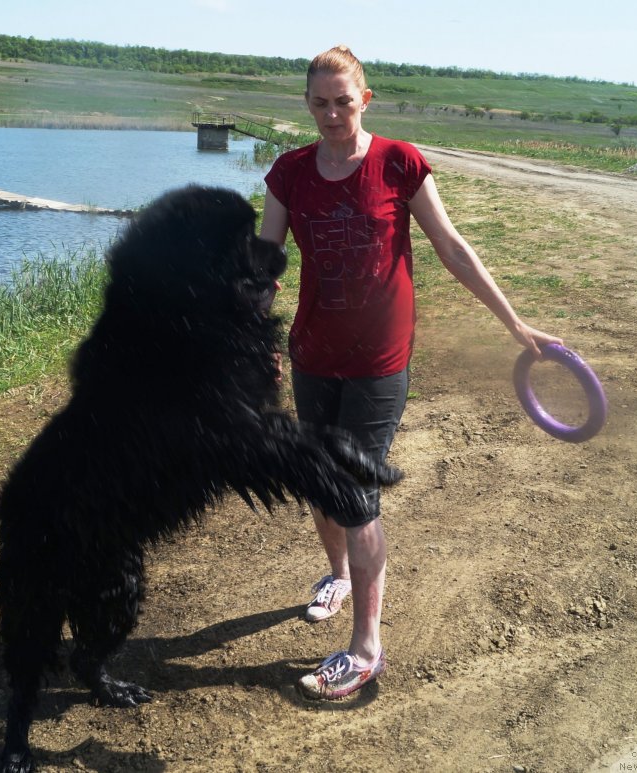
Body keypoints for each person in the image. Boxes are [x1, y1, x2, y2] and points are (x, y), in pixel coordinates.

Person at [259, 45, 562, 700]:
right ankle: (336, 574)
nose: (333, 114)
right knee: (321, 485)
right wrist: (254, 338)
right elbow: (268, 262)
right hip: (313, 354)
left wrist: (516, 325)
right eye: (320, 103)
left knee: (356, 492)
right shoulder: (288, 173)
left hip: (378, 365)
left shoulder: (401, 162)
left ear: (365, 100)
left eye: (344, 101)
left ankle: (367, 648)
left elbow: (452, 246)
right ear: (306, 104)